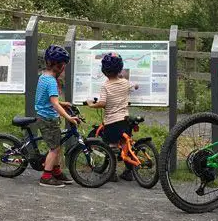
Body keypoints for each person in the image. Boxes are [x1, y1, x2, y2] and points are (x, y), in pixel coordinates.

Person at [82, 52, 139, 182]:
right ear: (120, 69)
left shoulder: (105, 86)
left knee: (110, 147)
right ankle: (128, 172)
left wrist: (91, 104)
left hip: (112, 122)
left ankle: (111, 173)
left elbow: (102, 103)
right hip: (125, 120)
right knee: (126, 145)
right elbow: (135, 86)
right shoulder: (125, 82)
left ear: (104, 71)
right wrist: (136, 85)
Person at [33, 45, 79, 187]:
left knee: (57, 146)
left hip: (44, 115)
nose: (64, 68)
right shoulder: (52, 81)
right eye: (63, 65)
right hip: (48, 119)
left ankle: (57, 172)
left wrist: (63, 103)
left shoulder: (43, 76)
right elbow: (54, 104)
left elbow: (47, 99)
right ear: (59, 66)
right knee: (54, 149)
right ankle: (46, 176)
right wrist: (69, 117)